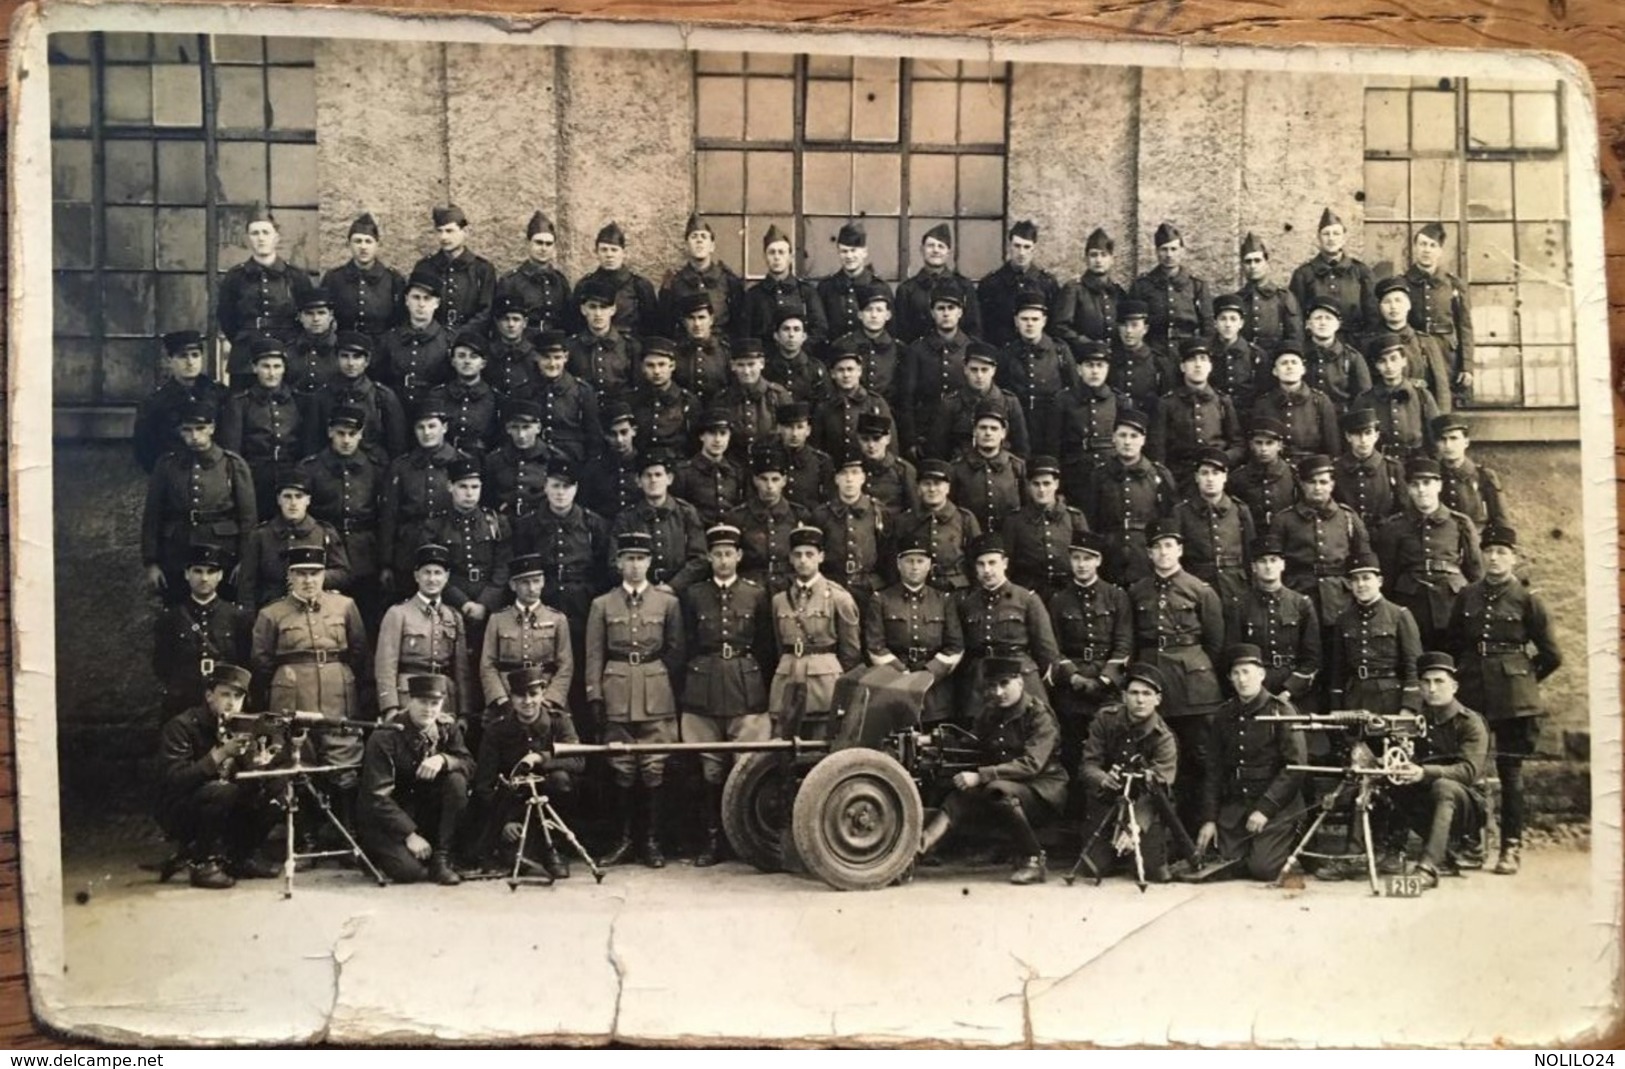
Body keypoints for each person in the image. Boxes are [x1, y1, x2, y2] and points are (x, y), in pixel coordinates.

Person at [1446, 526, 1561, 876]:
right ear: (1482, 555)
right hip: (1473, 694)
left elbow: (1551, 654)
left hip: (1513, 700)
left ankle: (1511, 848)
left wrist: (1523, 679)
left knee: (1511, 775)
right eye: (1489, 551)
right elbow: (1454, 644)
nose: (1494, 558)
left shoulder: (1528, 600)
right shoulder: (1467, 595)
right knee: (1468, 771)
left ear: (1514, 557)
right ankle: (1471, 844)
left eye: (1502, 552)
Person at [917, 656, 1068, 885]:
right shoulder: (991, 712)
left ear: (1020, 681)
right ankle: (921, 847)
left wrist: (981, 776)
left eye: (1004, 684)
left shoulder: (1038, 714)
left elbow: (1032, 764)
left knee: (998, 791)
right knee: (958, 794)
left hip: (1042, 790)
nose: (998, 692)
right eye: (991, 686)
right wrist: (933, 743)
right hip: (1008, 785)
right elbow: (973, 744)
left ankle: (1034, 860)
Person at [585, 531, 687, 867]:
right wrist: (595, 695)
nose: (634, 566)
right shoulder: (602, 604)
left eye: (640, 559)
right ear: (617, 563)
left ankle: (652, 840)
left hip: (656, 691)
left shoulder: (667, 603)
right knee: (622, 767)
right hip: (616, 689)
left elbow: (676, 651)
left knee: (654, 766)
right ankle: (625, 839)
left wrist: (656, 679)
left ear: (650, 562)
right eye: (628, 559)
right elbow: (594, 654)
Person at [679, 524, 775, 866]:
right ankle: (712, 841)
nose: (722, 560)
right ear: (708, 557)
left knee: (746, 768)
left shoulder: (756, 593)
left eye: (728, 554)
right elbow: (685, 643)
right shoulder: (693, 595)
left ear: (739, 556)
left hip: (745, 686)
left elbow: (765, 646)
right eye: (716, 554)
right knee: (710, 770)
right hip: (703, 686)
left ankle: (745, 840)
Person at [249, 546, 369, 814]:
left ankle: (344, 832)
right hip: (292, 697)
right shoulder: (272, 613)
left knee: (344, 762)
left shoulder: (345, 606)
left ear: (324, 574)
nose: (308, 580)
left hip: (338, 695)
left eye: (314, 573)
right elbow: (262, 662)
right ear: (289, 576)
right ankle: (307, 836)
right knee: (298, 761)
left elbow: (358, 652)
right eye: (300, 574)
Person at [1126, 519, 1226, 831]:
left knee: (1198, 758)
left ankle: (1200, 830)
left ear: (1180, 550)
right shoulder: (1137, 591)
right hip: (1154, 679)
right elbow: (1131, 638)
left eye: (1169, 545)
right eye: (1156, 547)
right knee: (1158, 757)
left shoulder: (1200, 590)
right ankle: (1162, 832)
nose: (1163, 552)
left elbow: (1215, 642)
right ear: (1149, 553)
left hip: (1193, 685)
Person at [154, 663, 281, 889]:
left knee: (279, 787)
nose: (232, 702)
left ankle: (242, 857)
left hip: (223, 801)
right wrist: (221, 754)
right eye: (225, 695)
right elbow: (175, 780)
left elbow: (247, 778)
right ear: (209, 696)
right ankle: (203, 863)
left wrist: (259, 766)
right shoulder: (182, 726)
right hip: (181, 808)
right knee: (222, 791)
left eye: (238, 696)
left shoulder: (243, 725)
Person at [1194, 644, 1309, 881]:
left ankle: (1292, 839)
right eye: (1235, 674)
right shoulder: (1224, 714)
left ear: (1261, 674)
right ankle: (1253, 848)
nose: (1242, 680)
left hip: (1275, 806)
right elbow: (1214, 770)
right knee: (1219, 861)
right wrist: (1209, 819)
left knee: (1263, 870)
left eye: (1247, 672)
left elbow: (1295, 767)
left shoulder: (1282, 710)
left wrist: (1265, 809)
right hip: (1237, 805)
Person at [356, 674, 476, 885]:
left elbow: (469, 765)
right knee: (410, 872)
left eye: (435, 703)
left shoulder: (447, 727)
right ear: (409, 701)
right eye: (422, 702)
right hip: (389, 820)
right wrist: (409, 834)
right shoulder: (386, 735)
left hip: (423, 811)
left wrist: (444, 759)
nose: (428, 709)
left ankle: (442, 857)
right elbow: (377, 796)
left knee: (456, 781)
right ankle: (375, 854)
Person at [1384, 652, 1489, 890]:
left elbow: (1468, 772)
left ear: (1454, 686)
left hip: (1469, 807)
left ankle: (1429, 868)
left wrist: (1423, 772)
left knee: (1444, 786)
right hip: (1434, 803)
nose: (1432, 688)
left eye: (1439, 681)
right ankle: (1396, 849)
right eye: (1426, 682)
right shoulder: (1418, 720)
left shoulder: (1470, 722)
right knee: (1392, 781)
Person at [472, 665, 584, 879]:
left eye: (533, 694)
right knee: (513, 858)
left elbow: (579, 761)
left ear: (542, 693)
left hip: (553, 803)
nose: (527, 701)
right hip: (516, 808)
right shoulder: (497, 731)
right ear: (511, 698)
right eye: (520, 695)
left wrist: (542, 758)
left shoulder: (559, 722)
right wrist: (504, 820)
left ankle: (556, 849)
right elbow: (484, 784)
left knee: (561, 780)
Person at [141, 401, 257, 603]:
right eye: (187, 430)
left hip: (222, 552)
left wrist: (244, 561)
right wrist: (151, 562)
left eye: (200, 429)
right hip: (177, 552)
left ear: (212, 428)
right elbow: (152, 515)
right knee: (178, 611)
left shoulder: (232, 464)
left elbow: (248, 518)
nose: (194, 436)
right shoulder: (167, 465)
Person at [1075, 662, 1180, 884]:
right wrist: (1103, 778)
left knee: (1153, 872)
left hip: (1144, 806)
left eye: (1147, 694)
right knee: (1091, 868)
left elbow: (1159, 788)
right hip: (1108, 801)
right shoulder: (1105, 719)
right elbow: (1087, 765)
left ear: (1157, 699)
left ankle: (1135, 845)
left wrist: (1135, 827)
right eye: (1134, 693)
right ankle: (1116, 850)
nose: (1140, 700)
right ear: (1124, 696)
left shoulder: (1164, 738)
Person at [1046, 531, 1134, 777]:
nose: (1081, 564)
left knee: (1113, 743)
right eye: (1076, 558)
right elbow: (1053, 647)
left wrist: (1105, 680)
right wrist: (1073, 677)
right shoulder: (1059, 600)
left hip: (1108, 687)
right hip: (1072, 686)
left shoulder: (1116, 596)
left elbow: (1124, 644)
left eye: (1088, 558)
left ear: (1098, 561)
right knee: (1072, 747)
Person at [1374, 457, 1483, 650]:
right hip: (1411, 603)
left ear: (1439, 485)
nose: (1421, 490)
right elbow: (1388, 576)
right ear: (1407, 489)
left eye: (1427, 483)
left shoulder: (1460, 523)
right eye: (1415, 485)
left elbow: (1475, 572)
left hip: (1451, 603)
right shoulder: (1394, 527)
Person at [767, 525, 862, 739]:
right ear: (790, 558)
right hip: (787, 680)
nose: (803, 560)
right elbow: (778, 645)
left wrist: (838, 686)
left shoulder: (839, 598)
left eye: (810, 554)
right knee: (783, 746)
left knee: (821, 747)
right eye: (797, 555)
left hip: (824, 685)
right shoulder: (779, 600)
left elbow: (851, 652)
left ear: (821, 557)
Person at [296, 404, 387, 626]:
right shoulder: (311, 468)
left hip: (364, 550)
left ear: (361, 435)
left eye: (352, 434)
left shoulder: (375, 467)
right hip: (325, 550)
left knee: (365, 615)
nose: (346, 440)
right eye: (340, 433)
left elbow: (385, 515)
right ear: (330, 433)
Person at [374, 543, 477, 730]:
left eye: (438, 573)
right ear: (416, 576)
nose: (432, 579)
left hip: (444, 700)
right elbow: (385, 666)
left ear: (446, 577)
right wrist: (390, 707)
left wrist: (464, 713)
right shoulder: (399, 613)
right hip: (409, 699)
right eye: (426, 572)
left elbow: (461, 671)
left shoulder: (453, 616)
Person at [864, 539, 966, 726]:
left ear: (929, 566)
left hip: (935, 689)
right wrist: (902, 673)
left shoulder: (943, 600)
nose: (914, 567)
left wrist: (927, 675)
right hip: (894, 684)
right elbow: (875, 646)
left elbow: (955, 646)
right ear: (898, 564)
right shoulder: (881, 599)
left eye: (920, 561)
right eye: (909, 561)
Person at [956, 533, 1061, 711]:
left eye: (992, 563)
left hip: (1020, 676)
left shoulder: (1026, 599)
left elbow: (1047, 651)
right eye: (981, 564)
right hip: (982, 682)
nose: (987, 570)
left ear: (1004, 563)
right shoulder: (968, 604)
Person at [216, 203, 315, 381]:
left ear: (276, 238)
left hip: (286, 357)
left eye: (265, 232)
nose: (260, 238)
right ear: (247, 240)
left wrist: (293, 347)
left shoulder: (296, 277)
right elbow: (226, 318)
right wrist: (245, 339)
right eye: (255, 233)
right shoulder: (235, 277)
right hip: (246, 359)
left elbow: (308, 318)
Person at [478, 552, 574, 735]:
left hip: (545, 695)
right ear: (513, 585)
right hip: (508, 697)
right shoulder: (498, 619)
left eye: (536, 581)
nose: (532, 588)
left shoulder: (557, 619)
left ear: (544, 582)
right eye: (525, 582)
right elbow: (487, 665)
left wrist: (550, 699)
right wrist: (501, 699)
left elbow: (566, 665)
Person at [153, 544, 254, 718]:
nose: (204, 578)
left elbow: (245, 661)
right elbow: (162, 664)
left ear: (220, 575)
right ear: (187, 574)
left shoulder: (237, 616)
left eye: (211, 572)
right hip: (183, 702)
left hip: (225, 705)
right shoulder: (172, 618)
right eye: (197, 571)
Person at [1224, 535, 1321, 709]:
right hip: (1254, 687)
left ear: (1282, 565)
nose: (1268, 566)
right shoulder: (1240, 605)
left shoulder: (1301, 603)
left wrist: (1289, 691)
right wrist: (1255, 690)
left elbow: (1312, 658)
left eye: (1273, 560)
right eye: (1262, 561)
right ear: (1254, 567)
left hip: (1294, 688)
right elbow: (1233, 654)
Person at [218, 335, 309, 520]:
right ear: (254, 368)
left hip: (291, 479)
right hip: (253, 479)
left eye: (277, 367)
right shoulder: (240, 403)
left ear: (284, 368)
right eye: (265, 366)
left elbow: (307, 446)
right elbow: (232, 451)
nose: (271, 373)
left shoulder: (299, 401)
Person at [1087, 408, 1176, 588]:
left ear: (1143, 440)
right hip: (1110, 556)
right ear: (1113, 438)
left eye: (1134, 436)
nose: (1128, 442)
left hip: (1145, 557)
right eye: (1122, 435)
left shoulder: (1159, 475)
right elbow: (1092, 520)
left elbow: (1168, 520)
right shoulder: (1099, 475)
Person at [237, 471, 351, 611]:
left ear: (308, 500)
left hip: (314, 607)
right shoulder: (261, 535)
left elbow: (343, 573)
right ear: (279, 499)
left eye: (299, 497)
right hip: (272, 608)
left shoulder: (323, 533)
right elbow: (247, 584)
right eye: (287, 497)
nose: (293, 503)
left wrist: (314, 577)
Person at [1325, 553, 1422, 717]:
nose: (1360, 584)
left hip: (1390, 697)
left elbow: (1413, 665)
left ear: (1379, 581)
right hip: (1354, 697)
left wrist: (1409, 706)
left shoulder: (1399, 615)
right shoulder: (1344, 620)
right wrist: (1337, 706)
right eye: (1355, 580)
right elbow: (1338, 669)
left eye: (1366, 578)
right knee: (1355, 743)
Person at [609, 449, 710, 595]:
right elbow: (615, 562)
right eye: (647, 475)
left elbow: (699, 559)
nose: (653, 480)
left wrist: (674, 586)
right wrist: (644, 587)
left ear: (669, 479)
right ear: (638, 481)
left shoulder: (686, 513)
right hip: (639, 592)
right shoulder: (627, 517)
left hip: (680, 591)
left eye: (658, 474)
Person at [1148, 340, 1245, 489]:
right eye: (1192, 360)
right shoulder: (1167, 403)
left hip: (1216, 476)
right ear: (1182, 367)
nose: (1198, 364)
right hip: (1179, 477)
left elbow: (1238, 444)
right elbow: (1158, 448)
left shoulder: (1222, 401)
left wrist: (1222, 459)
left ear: (1210, 366)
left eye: (1203, 359)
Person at [1168, 448, 1255, 608]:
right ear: (1196, 477)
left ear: (1225, 477)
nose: (1210, 479)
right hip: (1197, 584)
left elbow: (1250, 554)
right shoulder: (1181, 512)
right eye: (1204, 473)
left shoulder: (1240, 510)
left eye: (1216, 473)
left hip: (1235, 586)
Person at [898, 282, 974, 458]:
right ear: (932, 313)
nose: (946, 313)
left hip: (962, 433)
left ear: (960, 312)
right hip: (926, 432)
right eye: (940, 308)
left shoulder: (971, 348)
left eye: (951, 308)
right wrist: (911, 439)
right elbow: (906, 398)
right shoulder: (917, 349)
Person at [998, 287, 1076, 458]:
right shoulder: (1007, 353)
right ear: (1016, 321)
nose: (1030, 324)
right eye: (1024, 319)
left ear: (1044, 321)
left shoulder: (1060, 351)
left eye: (1035, 319)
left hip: (1052, 426)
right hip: (1018, 426)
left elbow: (1073, 389)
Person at [134, 329, 226, 472]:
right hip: (174, 473)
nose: (190, 362)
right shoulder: (156, 402)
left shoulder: (220, 395)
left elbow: (229, 438)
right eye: (183, 356)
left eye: (195, 355)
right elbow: (145, 449)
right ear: (170, 360)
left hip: (214, 472)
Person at [309, 331, 408, 464]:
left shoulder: (382, 396)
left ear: (366, 361)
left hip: (373, 468)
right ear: (336, 359)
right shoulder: (323, 396)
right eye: (345, 356)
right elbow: (312, 443)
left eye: (357, 357)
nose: (350, 363)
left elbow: (397, 445)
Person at [1001, 456, 1090, 603]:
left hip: (1068, 593)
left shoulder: (1074, 518)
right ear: (1028, 485)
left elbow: (1087, 560)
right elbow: (1007, 565)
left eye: (1046, 483)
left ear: (1056, 484)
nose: (1041, 490)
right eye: (1036, 484)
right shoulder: (1015, 521)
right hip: (1028, 594)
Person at [1404, 222, 1474, 408]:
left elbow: (1465, 327)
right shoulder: (1402, 283)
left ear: (1440, 251)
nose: (1427, 250)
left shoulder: (1454, 285)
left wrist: (1466, 366)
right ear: (1415, 247)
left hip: (1446, 353)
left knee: (1443, 402)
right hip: (1415, 350)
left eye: (1432, 245)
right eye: (1422, 244)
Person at [1289, 207, 1379, 349]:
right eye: (1326, 234)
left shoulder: (1361, 272)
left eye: (1336, 233)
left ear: (1344, 238)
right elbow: (1296, 316)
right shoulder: (1303, 274)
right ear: (1318, 238)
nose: (1331, 238)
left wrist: (1364, 343)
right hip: (1316, 344)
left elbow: (1373, 315)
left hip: (1355, 343)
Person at [927, 342, 1030, 463]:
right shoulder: (951, 404)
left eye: (984, 370)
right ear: (965, 369)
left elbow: (1021, 450)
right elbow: (937, 450)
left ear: (993, 370)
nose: (979, 375)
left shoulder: (1009, 402)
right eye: (974, 369)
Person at [811, 452, 886, 616]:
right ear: (836, 479)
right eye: (843, 473)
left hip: (869, 587)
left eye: (855, 473)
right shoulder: (822, 514)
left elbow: (886, 553)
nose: (849, 479)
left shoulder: (877, 512)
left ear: (863, 478)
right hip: (832, 586)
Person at [512, 330, 603, 465]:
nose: (552, 363)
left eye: (557, 357)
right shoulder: (524, 391)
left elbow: (594, 436)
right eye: (546, 357)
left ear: (566, 357)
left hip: (572, 458)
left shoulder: (581, 391)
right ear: (536, 357)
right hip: (534, 460)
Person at [320, 212, 407, 347]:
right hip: (344, 347)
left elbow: (401, 320)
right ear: (349, 244)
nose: (363, 247)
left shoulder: (393, 279)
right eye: (358, 241)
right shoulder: (334, 278)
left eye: (368, 241)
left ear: (377, 244)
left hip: (381, 349)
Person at [657, 213, 746, 339]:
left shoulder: (728, 280)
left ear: (712, 246)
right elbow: (666, 325)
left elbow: (739, 324)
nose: (699, 241)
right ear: (686, 245)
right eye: (694, 237)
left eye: (704, 237)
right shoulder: (674, 282)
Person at [1130, 221, 1212, 358]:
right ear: (1156, 251)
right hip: (1152, 353)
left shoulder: (1197, 286)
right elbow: (1133, 323)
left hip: (1188, 354)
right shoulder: (1142, 286)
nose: (1169, 255)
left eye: (1174, 249)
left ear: (1182, 251)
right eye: (1164, 249)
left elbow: (1208, 326)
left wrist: (1201, 354)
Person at [408, 204, 496, 331]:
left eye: (449, 231)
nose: (444, 237)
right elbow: (416, 308)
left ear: (465, 232)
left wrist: (459, 337)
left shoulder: (482, 269)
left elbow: (486, 312)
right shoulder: (425, 267)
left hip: (470, 342)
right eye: (439, 231)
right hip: (432, 340)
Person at [376, 270, 452, 414]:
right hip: (395, 411)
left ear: (436, 303)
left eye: (427, 298)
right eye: (416, 297)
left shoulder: (447, 340)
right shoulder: (390, 338)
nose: (421, 304)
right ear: (406, 300)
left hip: (433, 415)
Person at [743, 224, 828, 353]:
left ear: (790, 257)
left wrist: (795, 352)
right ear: (765, 257)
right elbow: (746, 334)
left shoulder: (806, 292)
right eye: (772, 252)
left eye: (781, 252)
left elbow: (819, 330)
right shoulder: (754, 295)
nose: (777, 257)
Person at [976, 220, 1060, 349]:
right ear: (1009, 246)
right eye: (1017, 246)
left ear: (1034, 249)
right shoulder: (991, 284)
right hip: (1001, 353)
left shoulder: (1046, 283)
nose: (1021, 253)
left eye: (1027, 247)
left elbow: (1054, 326)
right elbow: (983, 326)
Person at [894, 223, 982, 345]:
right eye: (930, 246)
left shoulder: (964, 286)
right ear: (922, 249)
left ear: (948, 253)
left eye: (941, 246)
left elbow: (974, 330)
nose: (935, 250)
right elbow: (901, 333)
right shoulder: (907, 289)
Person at [1247, 348, 1341, 463]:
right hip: (1275, 467)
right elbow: (1257, 444)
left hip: (1311, 467)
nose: (1289, 367)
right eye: (1284, 363)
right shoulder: (1263, 403)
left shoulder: (1320, 401)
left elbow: (1332, 445)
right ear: (1275, 371)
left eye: (1294, 362)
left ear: (1303, 370)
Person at [948, 402, 1028, 535]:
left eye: (994, 428)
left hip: (1008, 536)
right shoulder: (958, 468)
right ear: (974, 431)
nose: (988, 433)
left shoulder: (1017, 466)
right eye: (983, 428)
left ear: (1003, 433)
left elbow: (1026, 507)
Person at [494, 210, 573, 338]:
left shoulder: (559, 281)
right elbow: (500, 322)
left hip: (555, 345)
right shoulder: (511, 281)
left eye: (548, 244)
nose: (543, 248)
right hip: (525, 344)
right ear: (528, 243)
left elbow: (570, 320)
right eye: (538, 243)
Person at [1052, 227, 1128, 355]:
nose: (1098, 260)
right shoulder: (1074, 289)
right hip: (1083, 358)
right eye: (1093, 255)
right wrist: (1086, 344)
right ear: (1086, 259)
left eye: (1103, 255)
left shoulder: (1117, 292)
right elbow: (1060, 327)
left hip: (1114, 359)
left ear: (1111, 260)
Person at [427, 330, 501, 459]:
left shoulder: (495, 398)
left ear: (483, 363)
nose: (467, 361)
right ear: (453, 361)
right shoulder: (437, 395)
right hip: (442, 459)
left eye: (473, 356)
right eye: (461, 356)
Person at [568, 277, 642, 404]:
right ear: (583, 310)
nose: (598, 314)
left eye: (604, 307)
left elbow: (637, 388)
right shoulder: (571, 346)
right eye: (592, 307)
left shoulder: (629, 346)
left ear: (613, 310)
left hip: (620, 412)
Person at [1332, 407, 1407, 531]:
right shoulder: (1337, 468)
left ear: (1376, 435)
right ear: (1348, 437)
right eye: (1357, 434)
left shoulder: (1391, 468)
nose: (1363, 440)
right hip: (1347, 533)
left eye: (1368, 433)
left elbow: (1404, 508)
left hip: (1385, 533)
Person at [817, 220, 893, 342]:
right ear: (838, 252)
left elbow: (890, 329)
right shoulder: (827, 287)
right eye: (844, 251)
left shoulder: (880, 287)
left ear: (864, 252)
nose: (849, 256)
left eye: (853, 250)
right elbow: (821, 328)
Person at [674, 409, 749, 527]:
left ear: (729, 436)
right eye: (712, 433)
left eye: (723, 433)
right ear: (702, 436)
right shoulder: (684, 472)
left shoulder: (737, 470)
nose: (718, 440)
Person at [1433, 413, 1507, 531]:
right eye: (1442, 439)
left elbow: (1500, 520)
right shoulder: (1433, 476)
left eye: (1454, 438)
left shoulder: (1483, 476)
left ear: (1466, 442)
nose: (1448, 445)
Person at [629, 336, 702, 455]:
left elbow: (694, 443)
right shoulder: (633, 400)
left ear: (672, 366)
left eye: (662, 364)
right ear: (642, 367)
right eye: (650, 365)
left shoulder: (687, 401)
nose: (657, 371)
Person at [1235, 232, 1303, 355]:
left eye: (1257, 261)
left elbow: (1295, 337)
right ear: (1242, 266)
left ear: (1266, 263)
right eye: (1248, 262)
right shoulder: (1237, 299)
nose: (1253, 266)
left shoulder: (1283, 297)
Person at [1225, 419, 1298, 531]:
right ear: (1251, 445)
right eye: (1259, 443)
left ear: (1280, 446)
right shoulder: (1237, 478)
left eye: (1269, 443)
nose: (1264, 449)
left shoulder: (1293, 475)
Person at [673, 291, 733, 403]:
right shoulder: (676, 352)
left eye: (701, 318)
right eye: (691, 318)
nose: (697, 324)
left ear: (711, 319)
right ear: (684, 322)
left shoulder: (725, 351)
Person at [483, 294, 540, 397]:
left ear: (525, 323)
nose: (511, 324)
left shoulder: (534, 356)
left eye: (516, 319)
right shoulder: (487, 354)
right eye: (505, 319)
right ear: (497, 322)